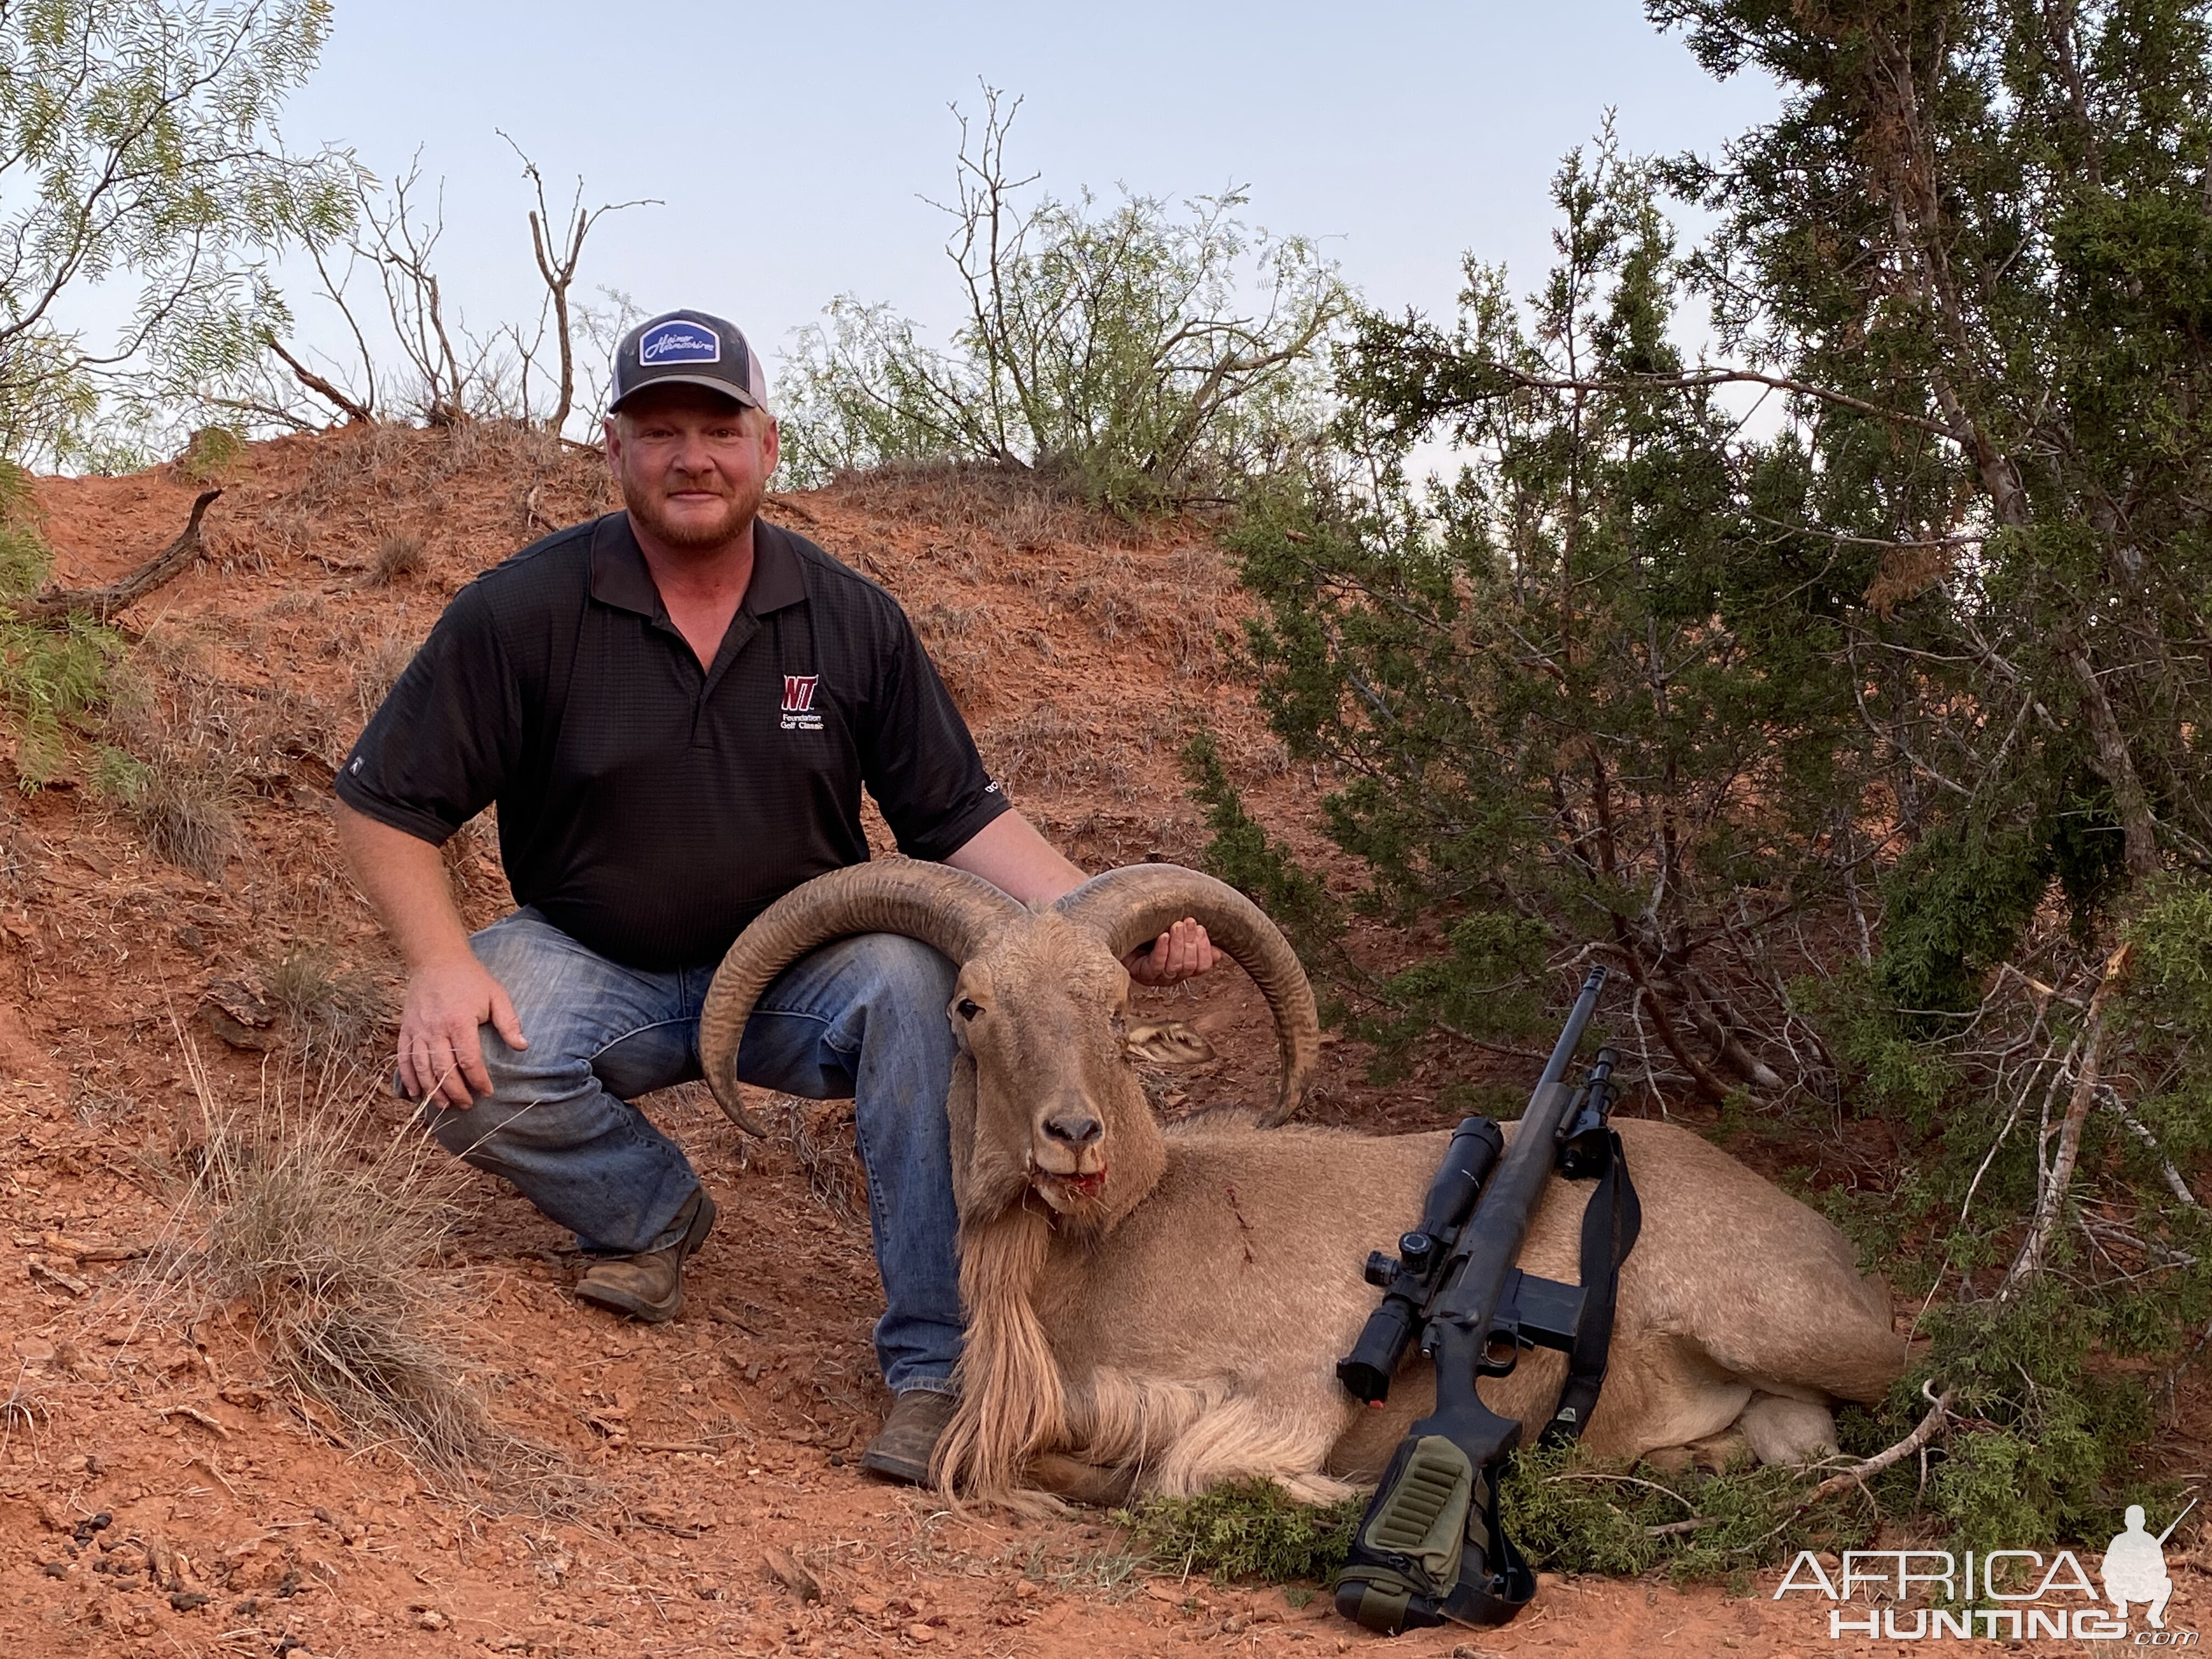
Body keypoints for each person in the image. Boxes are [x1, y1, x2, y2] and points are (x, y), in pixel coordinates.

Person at [332, 308, 1216, 1483]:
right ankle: (650, 1211)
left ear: (768, 445)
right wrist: (440, 966)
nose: (690, 456)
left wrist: (1109, 912)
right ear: (613, 452)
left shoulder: (850, 619)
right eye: (659, 432)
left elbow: (956, 819)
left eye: (718, 427)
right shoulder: (524, 611)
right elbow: (384, 803)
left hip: (811, 970)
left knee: (915, 985)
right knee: (464, 1067)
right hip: (600, 962)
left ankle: (938, 1370)